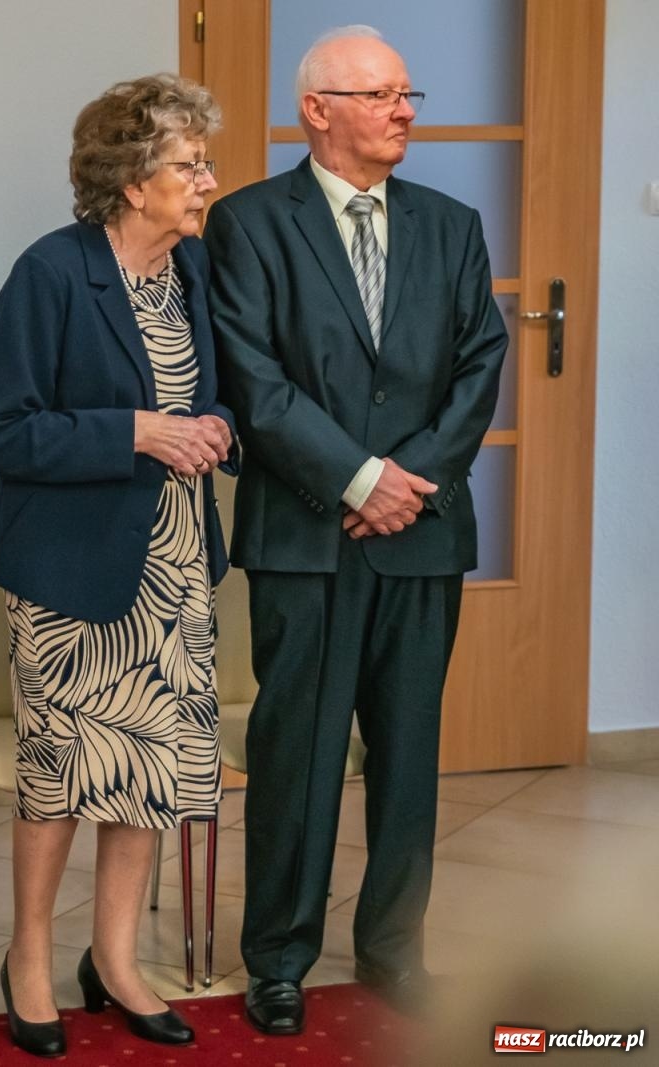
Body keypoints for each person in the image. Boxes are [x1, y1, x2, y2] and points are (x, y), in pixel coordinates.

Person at [204, 26, 506, 1034]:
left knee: (408, 750)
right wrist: (357, 474)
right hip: (304, 532)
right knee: (299, 749)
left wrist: (407, 481)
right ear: (318, 110)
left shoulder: (453, 225)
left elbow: (479, 363)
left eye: (406, 94)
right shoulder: (245, 224)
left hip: (420, 531)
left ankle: (391, 948)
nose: (404, 111)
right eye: (380, 95)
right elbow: (252, 376)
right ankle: (280, 956)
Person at [0, 75, 235, 1057]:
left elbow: (220, 398)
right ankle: (28, 956)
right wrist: (135, 432)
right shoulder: (51, 272)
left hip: (173, 564)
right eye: (188, 164)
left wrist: (210, 429)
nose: (207, 180)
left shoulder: (192, 271)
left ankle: (114, 959)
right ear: (129, 180)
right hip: (72, 574)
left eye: (203, 161)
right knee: (63, 779)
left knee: (149, 774)